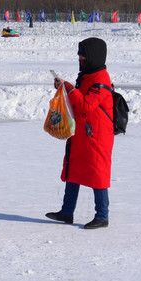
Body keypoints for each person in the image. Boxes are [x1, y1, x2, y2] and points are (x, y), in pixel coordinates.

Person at [46, 37, 114, 229]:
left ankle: (102, 216)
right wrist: (65, 89)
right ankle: (67, 212)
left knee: (98, 173)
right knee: (73, 170)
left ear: (94, 55)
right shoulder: (86, 75)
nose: (80, 58)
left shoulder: (101, 79)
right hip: (82, 133)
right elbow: (78, 100)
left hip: (97, 136)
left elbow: (86, 105)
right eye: (79, 54)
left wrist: (69, 88)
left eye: (83, 54)